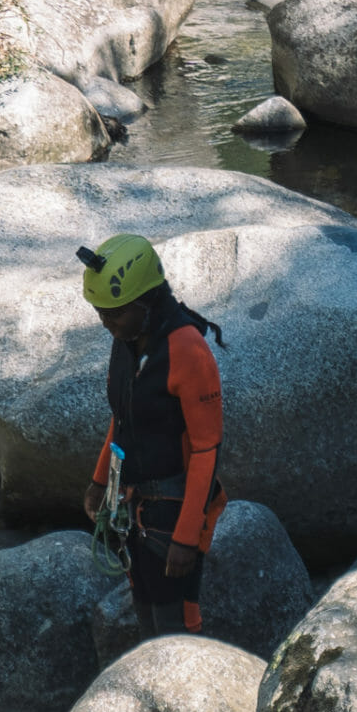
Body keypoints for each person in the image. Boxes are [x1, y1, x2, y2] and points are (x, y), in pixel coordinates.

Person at [77, 233, 228, 638]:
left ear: (146, 304)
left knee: (176, 620)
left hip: (174, 510)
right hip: (133, 503)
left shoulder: (189, 350)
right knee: (144, 609)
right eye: (100, 314)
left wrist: (186, 536)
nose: (105, 324)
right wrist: (98, 481)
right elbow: (122, 419)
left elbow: (206, 448)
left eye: (114, 314)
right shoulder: (126, 339)